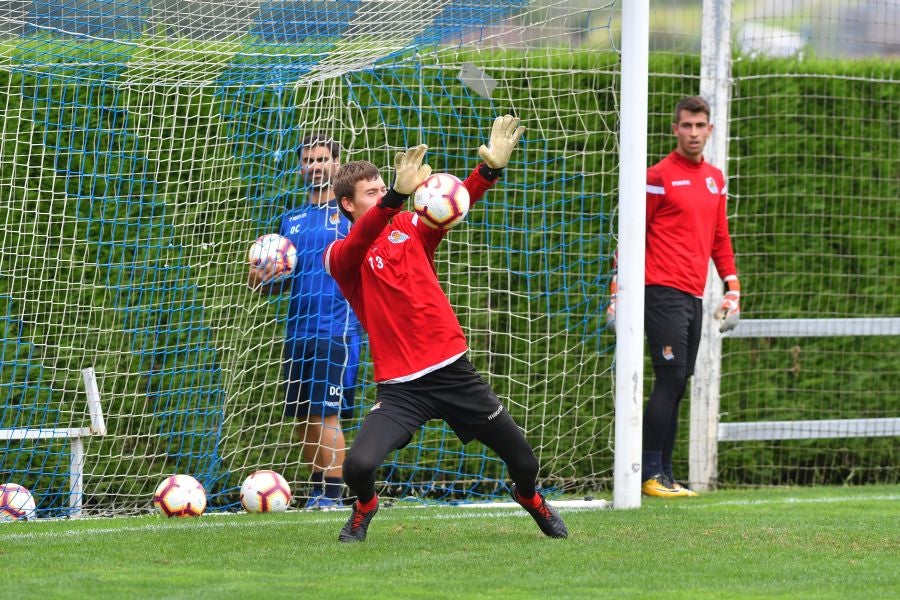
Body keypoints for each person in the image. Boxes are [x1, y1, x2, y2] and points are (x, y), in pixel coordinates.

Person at [323, 115, 568, 542]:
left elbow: (453, 202)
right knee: (357, 467)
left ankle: (531, 499)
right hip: (402, 388)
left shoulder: (410, 227)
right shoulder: (341, 255)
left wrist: (489, 170)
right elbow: (365, 237)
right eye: (372, 192)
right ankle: (366, 507)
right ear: (348, 204)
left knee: (525, 463)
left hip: (454, 373)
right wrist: (396, 195)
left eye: (384, 187)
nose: (383, 194)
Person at [607, 95, 740, 498]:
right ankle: (646, 473)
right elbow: (631, 233)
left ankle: (664, 474)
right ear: (675, 129)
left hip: (694, 295)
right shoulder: (657, 176)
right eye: (687, 125)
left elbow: (720, 236)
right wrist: (616, 289)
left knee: (679, 380)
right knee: (668, 378)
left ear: (710, 129)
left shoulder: (715, 178)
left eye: (701, 126)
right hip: (659, 291)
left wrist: (732, 285)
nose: (694, 133)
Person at [248, 133, 362, 510]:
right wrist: (261, 279)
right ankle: (317, 491)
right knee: (303, 416)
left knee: (327, 413)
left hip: (336, 331)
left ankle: (333, 496)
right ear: (301, 167)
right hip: (298, 332)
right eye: (309, 160)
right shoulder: (290, 220)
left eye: (322, 159)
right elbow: (276, 283)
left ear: (337, 165)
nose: (315, 166)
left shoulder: (351, 217)